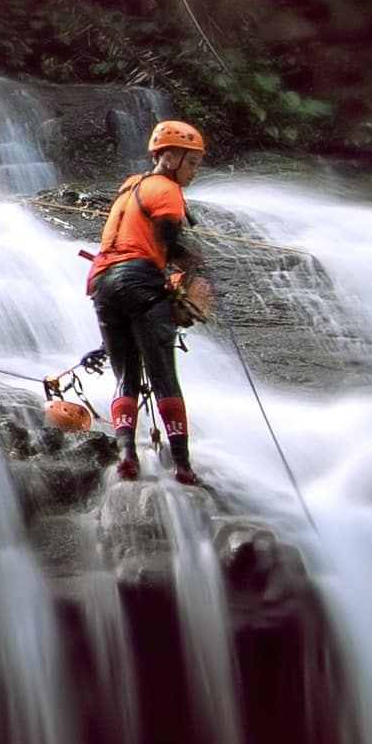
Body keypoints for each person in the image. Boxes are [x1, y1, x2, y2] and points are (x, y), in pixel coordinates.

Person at [87, 115, 213, 481]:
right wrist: (191, 259)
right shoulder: (168, 191)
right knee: (164, 377)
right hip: (140, 281)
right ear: (169, 158)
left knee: (125, 374)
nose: (194, 171)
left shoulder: (130, 186)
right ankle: (183, 466)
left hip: (102, 284)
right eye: (191, 162)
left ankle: (127, 455)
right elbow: (165, 243)